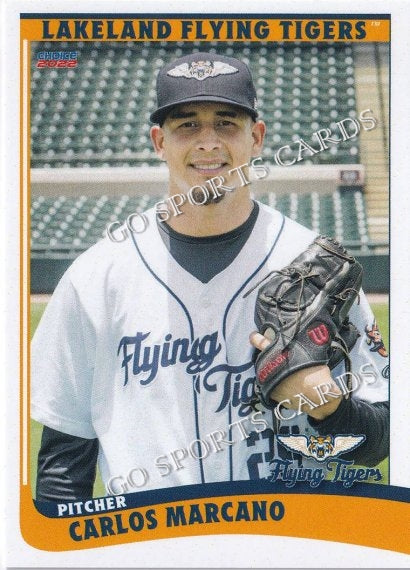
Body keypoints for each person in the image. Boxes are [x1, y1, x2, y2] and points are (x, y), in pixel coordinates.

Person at [31, 52, 389, 501]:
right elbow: (63, 465)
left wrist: (331, 406)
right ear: (159, 142)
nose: (208, 142)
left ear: (256, 137)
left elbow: (381, 441)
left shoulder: (316, 268)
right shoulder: (95, 279)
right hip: (148, 547)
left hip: (286, 545)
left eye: (226, 123)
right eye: (186, 125)